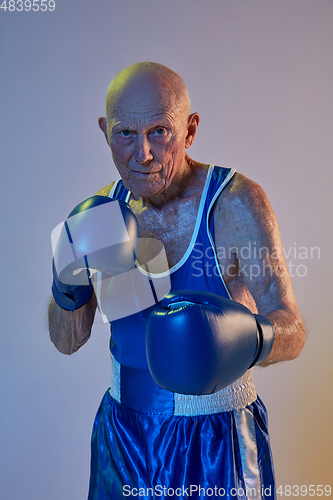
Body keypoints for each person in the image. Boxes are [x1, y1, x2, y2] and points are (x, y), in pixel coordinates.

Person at [48, 62, 306, 499]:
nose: (143, 153)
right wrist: (65, 285)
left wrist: (248, 338)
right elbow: (66, 340)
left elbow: (293, 331)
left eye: (159, 132)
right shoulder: (101, 215)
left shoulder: (235, 204)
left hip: (214, 440)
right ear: (105, 131)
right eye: (125, 134)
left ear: (190, 130)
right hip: (123, 437)